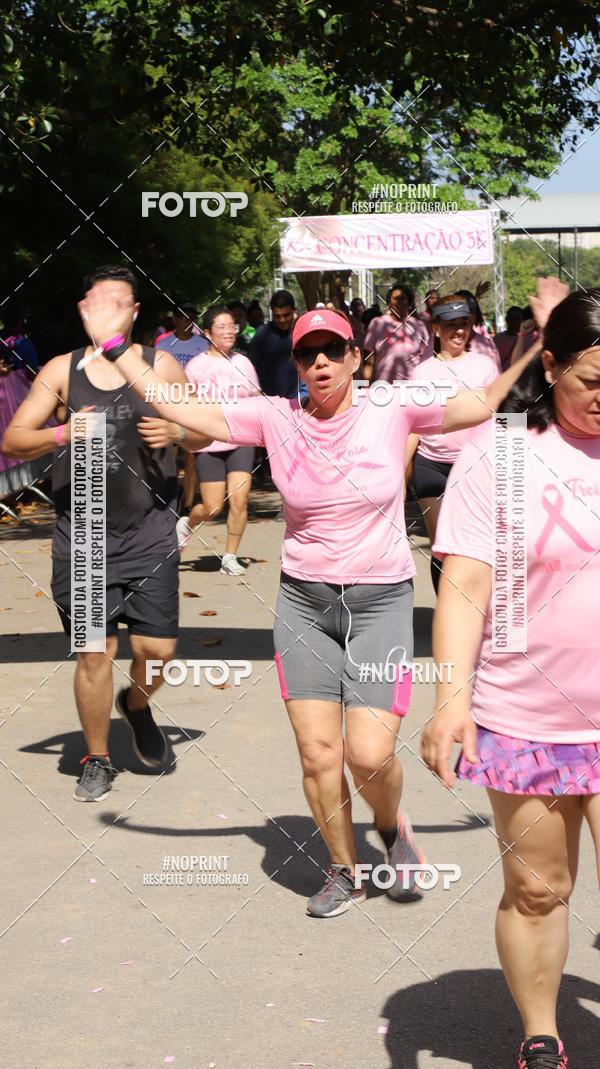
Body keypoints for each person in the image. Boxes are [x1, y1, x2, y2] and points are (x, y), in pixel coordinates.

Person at [87, 288, 542, 917]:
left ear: (355, 356)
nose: (321, 363)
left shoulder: (392, 406)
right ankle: (343, 870)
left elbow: (484, 403)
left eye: (333, 350)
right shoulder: (277, 417)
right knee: (318, 751)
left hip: (381, 600)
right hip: (304, 603)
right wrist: (116, 347)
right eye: (308, 355)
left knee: (370, 753)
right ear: (297, 366)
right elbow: (181, 406)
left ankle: (390, 827)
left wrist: (539, 343)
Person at [421, 279, 596, 1069]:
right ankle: (541, 1037)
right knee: (538, 890)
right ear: (551, 366)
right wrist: (450, 699)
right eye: (593, 383)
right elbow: (464, 584)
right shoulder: (506, 451)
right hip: (525, 717)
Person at [2, 265, 210, 802]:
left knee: (158, 648)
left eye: (119, 301)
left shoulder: (160, 364)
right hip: (85, 538)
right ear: (83, 310)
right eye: (97, 300)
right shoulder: (60, 370)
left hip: (150, 533)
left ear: (134, 313)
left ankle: (137, 704)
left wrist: (179, 430)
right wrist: (61, 431)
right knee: (94, 652)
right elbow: (14, 440)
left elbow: (208, 433)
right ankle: (97, 758)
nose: (106, 308)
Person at [405, 295, 499, 593]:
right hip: (431, 466)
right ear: (435, 328)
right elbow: (411, 428)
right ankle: (446, 608)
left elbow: (501, 418)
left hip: (474, 467)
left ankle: (476, 608)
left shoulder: (485, 366)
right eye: (450, 325)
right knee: (441, 544)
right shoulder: (422, 372)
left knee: (473, 544)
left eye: (464, 324)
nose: (459, 331)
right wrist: (399, 470)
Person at [177, 305, 260, 575]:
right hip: (209, 443)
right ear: (208, 333)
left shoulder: (244, 363)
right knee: (213, 508)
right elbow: (185, 407)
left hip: (240, 440)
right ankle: (187, 523)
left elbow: (257, 400)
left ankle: (230, 557)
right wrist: (187, 440)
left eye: (232, 326)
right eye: (222, 327)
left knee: (240, 499)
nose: (229, 331)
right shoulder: (196, 366)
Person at [364, 283, 429, 383]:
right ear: (389, 302)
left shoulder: (419, 326)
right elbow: (369, 358)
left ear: (409, 303)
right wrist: (364, 388)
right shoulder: (377, 323)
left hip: (412, 388)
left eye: (403, 298)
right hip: (383, 388)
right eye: (395, 298)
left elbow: (426, 359)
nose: (399, 302)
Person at [248, 289, 297, 398]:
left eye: (286, 315)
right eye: (277, 316)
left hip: (298, 399)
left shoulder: (302, 332)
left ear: (294, 310)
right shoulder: (262, 334)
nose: (282, 320)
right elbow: (250, 367)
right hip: (268, 401)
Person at [154, 299, 209, 369]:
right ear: (174, 319)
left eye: (192, 318)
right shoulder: (162, 346)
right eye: (185, 318)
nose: (189, 322)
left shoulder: (204, 345)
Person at [494, 305, 523, 370]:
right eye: (512, 319)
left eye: (518, 319)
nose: (514, 322)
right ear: (506, 320)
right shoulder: (497, 339)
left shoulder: (527, 339)